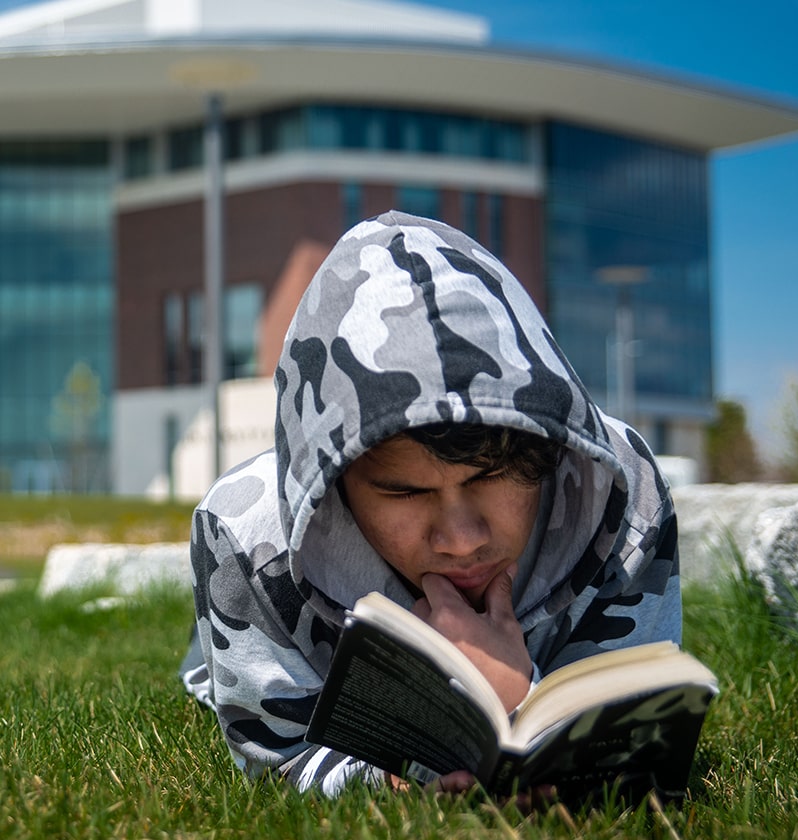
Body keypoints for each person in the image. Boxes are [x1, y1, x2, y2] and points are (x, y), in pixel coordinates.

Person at [180, 210, 681, 798]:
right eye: (407, 491)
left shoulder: (624, 494)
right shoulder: (243, 537)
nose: (462, 538)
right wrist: (402, 766)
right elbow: (280, 763)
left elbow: (632, 754)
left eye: (494, 477)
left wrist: (517, 698)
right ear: (337, 482)